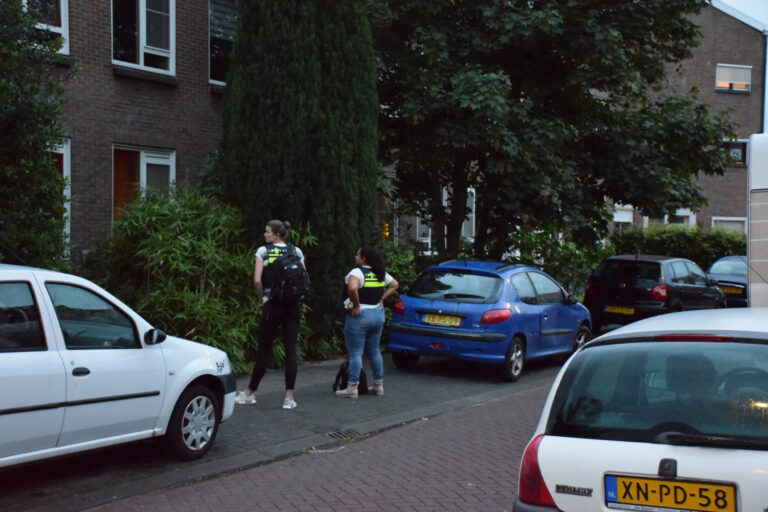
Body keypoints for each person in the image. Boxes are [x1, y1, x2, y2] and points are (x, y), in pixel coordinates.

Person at [236, 220, 306, 410]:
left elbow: (257, 280)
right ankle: (289, 398)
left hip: (272, 304)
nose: (264, 234)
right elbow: (304, 277)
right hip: (293, 306)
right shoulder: (296, 251)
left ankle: (250, 393)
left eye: (267, 232)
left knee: (264, 349)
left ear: (276, 235)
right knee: (291, 349)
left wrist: (262, 298)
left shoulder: (263, 251)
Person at [336, 246, 398, 398]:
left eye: (357, 255)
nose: (355, 257)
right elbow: (394, 284)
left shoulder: (356, 272)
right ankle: (378, 386)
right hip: (377, 314)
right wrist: (381, 299)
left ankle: (352, 388)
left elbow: (352, 289)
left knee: (356, 353)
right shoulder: (380, 273)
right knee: (375, 352)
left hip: (360, 316)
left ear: (363, 259)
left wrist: (356, 306)